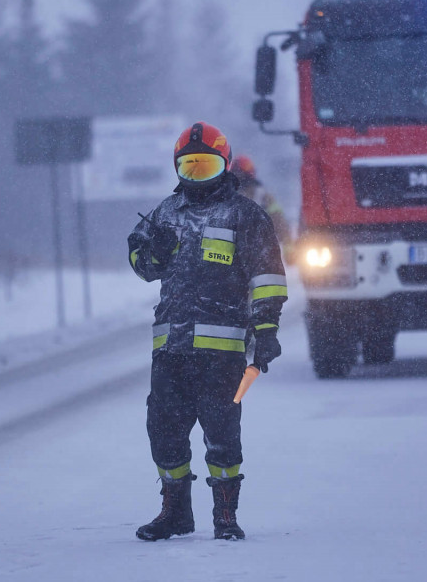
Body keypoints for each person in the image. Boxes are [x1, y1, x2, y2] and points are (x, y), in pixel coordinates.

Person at [127, 122, 287, 541]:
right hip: (170, 348)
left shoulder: (246, 215)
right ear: (177, 168)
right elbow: (140, 262)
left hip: (223, 352)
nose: (197, 174)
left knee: (222, 432)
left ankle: (226, 515)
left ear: (225, 165)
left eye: (206, 165)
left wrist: (267, 330)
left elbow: (268, 277)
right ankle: (175, 513)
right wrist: (149, 253)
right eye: (190, 166)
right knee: (163, 430)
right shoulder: (164, 212)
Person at [231, 154, 292, 248]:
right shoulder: (262, 196)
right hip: (256, 251)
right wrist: (288, 245)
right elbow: (279, 221)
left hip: (241, 251)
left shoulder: (261, 196)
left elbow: (279, 220)